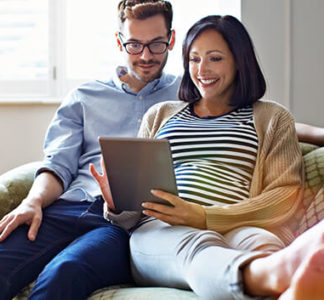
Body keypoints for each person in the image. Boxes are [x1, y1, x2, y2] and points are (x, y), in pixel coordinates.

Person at [91, 15, 324, 300]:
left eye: (214, 58)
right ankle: (278, 275)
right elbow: (134, 213)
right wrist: (117, 205)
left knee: (264, 243)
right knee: (198, 245)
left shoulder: (272, 118)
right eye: (194, 59)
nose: (202, 70)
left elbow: (284, 197)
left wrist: (205, 216)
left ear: (239, 61)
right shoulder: (161, 114)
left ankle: (288, 286)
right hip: (163, 230)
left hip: (241, 225)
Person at [0, 1, 179, 299]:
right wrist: (32, 202)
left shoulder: (188, 96)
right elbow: (57, 165)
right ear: (118, 41)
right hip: (67, 208)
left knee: (65, 271)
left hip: (122, 224)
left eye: (157, 44)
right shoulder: (85, 96)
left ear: (172, 39)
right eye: (134, 45)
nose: (146, 55)